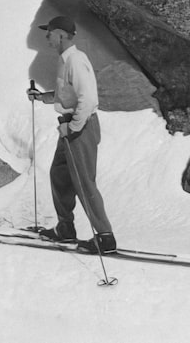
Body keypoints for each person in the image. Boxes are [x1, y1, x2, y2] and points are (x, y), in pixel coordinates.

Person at [27, 15, 116, 254]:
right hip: (72, 127)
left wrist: (73, 128)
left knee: (84, 181)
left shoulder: (75, 60)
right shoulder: (67, 60)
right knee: (59, 174)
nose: (47, 37)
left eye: (49, 33)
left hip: (80, 127)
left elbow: (87, 100)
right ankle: (65, 228)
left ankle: (105, 237)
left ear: (61, 34)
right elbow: (70, 95)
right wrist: (43, 97)